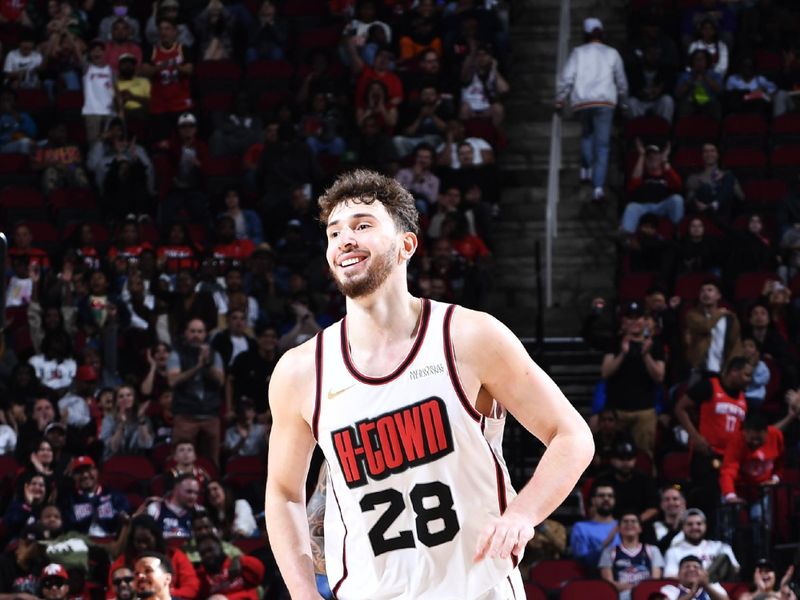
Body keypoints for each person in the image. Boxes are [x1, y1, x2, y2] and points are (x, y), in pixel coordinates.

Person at [264, 170, 595, 599]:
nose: (345, 239)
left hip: (477, 589)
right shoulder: (300, 371)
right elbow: (285, 492)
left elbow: (572, 436)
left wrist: (522, 515)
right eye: (334, 232)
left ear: (406, 245)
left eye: (363, 225)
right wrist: (304, 594)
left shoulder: (470, 337)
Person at [555, 17, 628, 201]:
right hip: (605, 102)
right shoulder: (612, 53)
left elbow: (567, 77)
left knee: (587, 134)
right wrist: (624, 101)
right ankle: (598, 187)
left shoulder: (578, 52)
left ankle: (586, 168)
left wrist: (559, 98)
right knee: (602, 145)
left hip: (583, 101)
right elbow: (621, 81)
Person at [601, 301, 665, 456]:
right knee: (613, 453)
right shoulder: (615, 343)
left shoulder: (654, 345)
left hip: (644, 412)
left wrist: (646, 354)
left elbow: (659, 376)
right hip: (618, 411)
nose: (635, 322)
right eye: (630, 318)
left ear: (645, 320)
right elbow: (605, 372)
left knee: (645, 455)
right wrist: (623, 353)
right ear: (623, 321)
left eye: (638, 318)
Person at [718, 412, 784, 555]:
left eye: (759, 439)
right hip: (738, 489)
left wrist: (776, 478)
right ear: (745, 433)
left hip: (761, 491)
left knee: (762, 528)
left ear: (767, 433)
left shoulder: (776, 435)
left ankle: (762, 562)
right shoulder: (736, 441)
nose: (755, 443)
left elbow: (780, 463)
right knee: (728, 529)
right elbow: (728, 471)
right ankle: (727, 561)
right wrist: (730, 495)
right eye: (752, 439)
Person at [167, 318, 225, 466]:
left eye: (200, 332)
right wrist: (197, 367)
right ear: (186, 333)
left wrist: (207, 365)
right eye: (192, 331)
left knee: (211, 462)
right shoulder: (177, 354)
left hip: (210, 415)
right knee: (180, 459)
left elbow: (220, 381)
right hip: (186, 415)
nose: (196, 335)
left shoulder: (214, 354)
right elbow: (173, 381)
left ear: (205, 334)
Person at [663, 509, 739, 593]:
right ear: (683, 527)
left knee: (723, 557)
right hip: (689, 593)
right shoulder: (673, 551)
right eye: (690, 524)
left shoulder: (721, 547)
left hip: (719, 591)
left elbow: (735, 570)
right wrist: (696, 581)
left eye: (699, 524)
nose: (695, 527)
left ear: (705, 526)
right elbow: (670, 576)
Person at [621, 141, 684, 235]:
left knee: (677, 200)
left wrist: (665, 160)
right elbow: (632, 185)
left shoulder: (666, 173)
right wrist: (642, 155)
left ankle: (678, 233)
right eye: (649, 156)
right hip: (643, 207)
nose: (652, 158)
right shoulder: (642, 174)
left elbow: (677, 184)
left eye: (656, 155)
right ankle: (627, 239)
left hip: (662, 206)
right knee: (631, 207)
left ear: (660, 157)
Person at [60, 455, 130, 537]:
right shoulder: (69, 500)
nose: (85, 475)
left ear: (96, 471)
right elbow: (68, 525)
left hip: (111, 540)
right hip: (81, 542)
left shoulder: (114, 496)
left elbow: (125, 515)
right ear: (74, 477)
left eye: (88, 470)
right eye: (79, 472)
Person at [599, 512, 664, 600]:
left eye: (633, 521)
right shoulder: (608, 552)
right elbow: (608, 584)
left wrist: (635, 588)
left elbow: (654, 580)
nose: (629, 524)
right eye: (625, 521)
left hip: (646, 596)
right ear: (618, 528)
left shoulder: (653, 550)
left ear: (640, 528)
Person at [685, 143, 744, 225]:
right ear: (702, 155)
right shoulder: (694, 177)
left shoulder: (727, 176)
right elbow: (688, 200)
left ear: (718, 154)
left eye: (712, 151)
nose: (709, 154)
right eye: (706, 151)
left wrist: (726, 179)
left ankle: (715, 204)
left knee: (729, 177)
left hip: (723, 216)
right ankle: (712, 206)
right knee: (706, 188)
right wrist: (696, 202)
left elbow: (741, 197)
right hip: (704, 215)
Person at [195, 534, 264, 600]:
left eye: (210, 550)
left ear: (220, 548)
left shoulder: (237, 563)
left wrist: (240, 561)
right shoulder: (202, 577)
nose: (207, 555)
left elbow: (260, 572)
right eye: (203, 553)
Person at [569, 482, 621, 570]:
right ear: (593, 500)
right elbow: (582, 560)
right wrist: (606, 542)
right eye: (601, 496)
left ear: (614, 500)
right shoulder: (581, 528)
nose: (606, 498)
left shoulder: (624, 525)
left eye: (610, 496)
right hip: (593, 576)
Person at [147, 473, 202, 540]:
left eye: (196, 493)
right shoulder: (156, 508)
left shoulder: (199, 511)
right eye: (189, 492)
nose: (193, 496)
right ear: (176, 489)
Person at [660, 555, 727, 600]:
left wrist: (706, 586)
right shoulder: (670, 589)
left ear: (703, 573)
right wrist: (692, 592)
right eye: (687, 567)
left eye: (696, 567)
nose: (691, 569)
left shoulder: (714, 586)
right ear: (678, 574)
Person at [651, 486, 687, 552]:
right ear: (661, 504)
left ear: (683, 503)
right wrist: (675, 529)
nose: (671, 503)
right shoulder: (653, 527)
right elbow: (656, 552)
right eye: (667, 499)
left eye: (675, 499)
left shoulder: (693, 525)